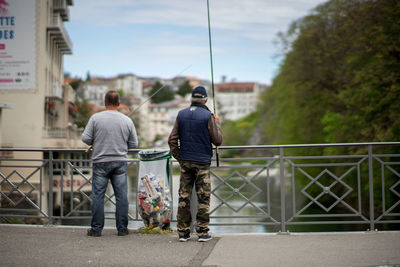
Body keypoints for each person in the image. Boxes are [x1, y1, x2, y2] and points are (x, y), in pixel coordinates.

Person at [168, 86, 223, 242]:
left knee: (184, 197)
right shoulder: (208, 116)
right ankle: (202, 232)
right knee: (203, 198)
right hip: (202, 163)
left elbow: (171, 140)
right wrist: (217, 123)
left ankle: (183, 233)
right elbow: (218, 140)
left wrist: (180, 157)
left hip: (186, 162)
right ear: (205, 99)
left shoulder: (181, 114)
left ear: (191, 99)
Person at [82, 90, 138, 237]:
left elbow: (86, 139)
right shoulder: (127, 120)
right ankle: (122, 229)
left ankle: (96, 229)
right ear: (119, 104)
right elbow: (134, 144)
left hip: (100, 162)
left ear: (105, 103)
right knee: (121, 196)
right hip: (120, 163)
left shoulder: (95, 118)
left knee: (98, 196)